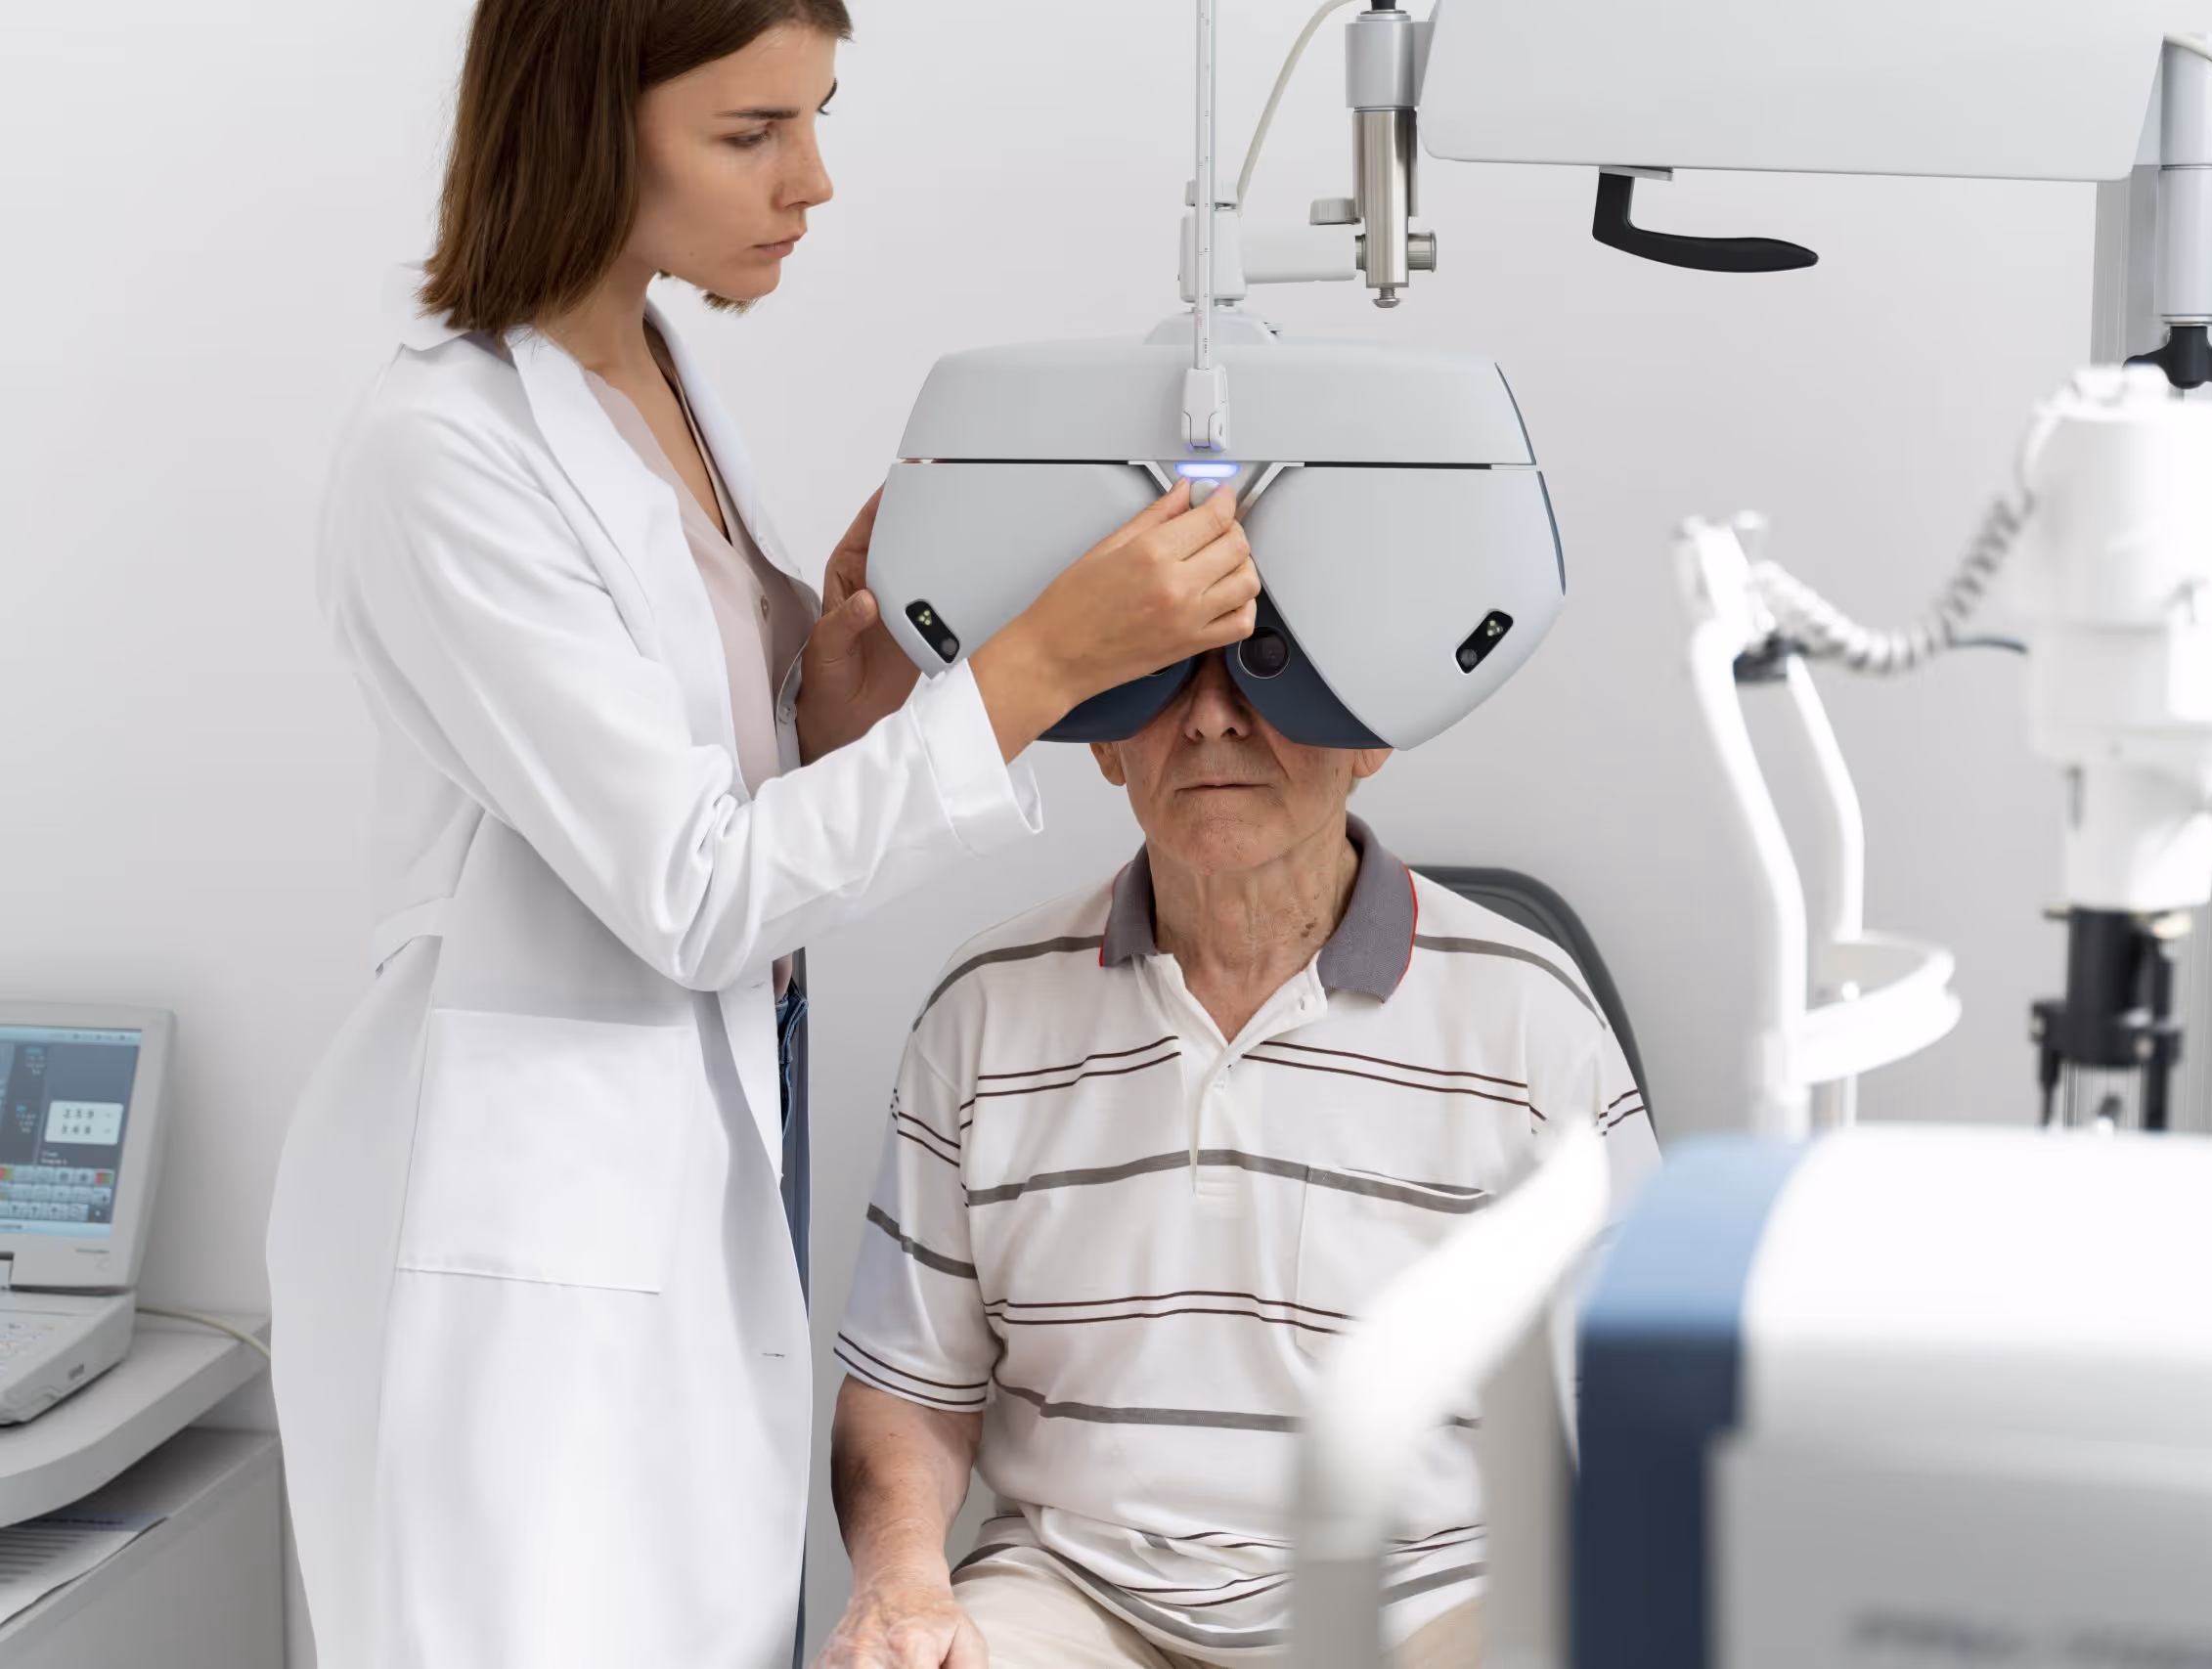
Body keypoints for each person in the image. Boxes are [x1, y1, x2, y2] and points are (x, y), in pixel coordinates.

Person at [263, 4, 1260, 1665]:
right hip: (520, 1237)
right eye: (751, 133)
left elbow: (712, 777)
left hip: (697, 1140)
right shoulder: (440, 452)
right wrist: (1037, 671)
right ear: (586, 124)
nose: (812, 180)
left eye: (815, 117)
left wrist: (835, 688)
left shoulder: (649, 370)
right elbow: (692, 885)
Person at [820, 654, 1659, 1669]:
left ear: (1370, 734)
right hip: (1078, 1595)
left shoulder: (1529, 1012)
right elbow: (907, 1391)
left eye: (1268, 667)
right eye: (1166, 669)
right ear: (1105, 742)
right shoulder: (984, 1008)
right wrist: (900, 1580)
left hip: (1430, 1596)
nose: (1212, 718)